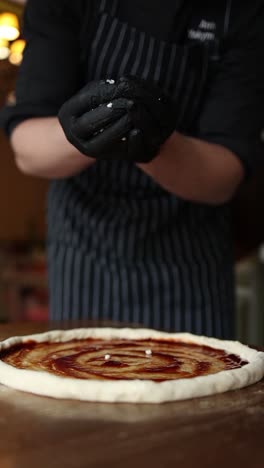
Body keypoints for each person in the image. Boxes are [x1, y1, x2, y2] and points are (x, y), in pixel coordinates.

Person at [1, 0, 264, 338]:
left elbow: (225, 176)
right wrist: (86, 131)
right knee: (80, 379)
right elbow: (29, 152)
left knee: (200, 383)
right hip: (85, 251)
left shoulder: (243, 12)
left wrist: (156, 144)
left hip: (189, 260)